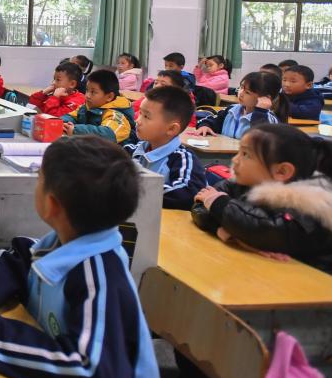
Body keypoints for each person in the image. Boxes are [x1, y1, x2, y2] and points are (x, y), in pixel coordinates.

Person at [0, 136, 161, 378]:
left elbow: (91, 372)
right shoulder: (63, 245)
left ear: (51, 205)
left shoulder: (99, 275)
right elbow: (21, 262)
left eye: (38, 176)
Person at [192, 123, 332, 272]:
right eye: (238, 152)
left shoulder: (312, 205)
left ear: (282, 171)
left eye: (245, 154)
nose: (235, 160)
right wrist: (227, 232)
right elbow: (199, 206)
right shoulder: (239, 183)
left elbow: (265, 231)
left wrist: (218, 204)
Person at [125, 86, 206, 210]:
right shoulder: (132, 150)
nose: (138, 121)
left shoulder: (183, 158)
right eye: (140, 113)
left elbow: (186, 194)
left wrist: (132, 188)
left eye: (146, 116)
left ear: (171, 129)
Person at [191, 71, 282, 139]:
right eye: (241, 88)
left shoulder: (269, 119)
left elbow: (258, 140)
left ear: (265, 98)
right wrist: (205, 126)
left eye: (247, 92)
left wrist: (260, 112)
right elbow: (211, 120)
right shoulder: (232, 110)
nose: (241, 93)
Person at [61, 69, 137, 146]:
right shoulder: (87, 107)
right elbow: (71, 116)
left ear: (109, 96)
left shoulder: (116, 114)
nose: (87, 95)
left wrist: (76, 130)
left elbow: (108, 134)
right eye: (87, 90)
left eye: (93, 92)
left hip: (112, 154)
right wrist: (61, 123)